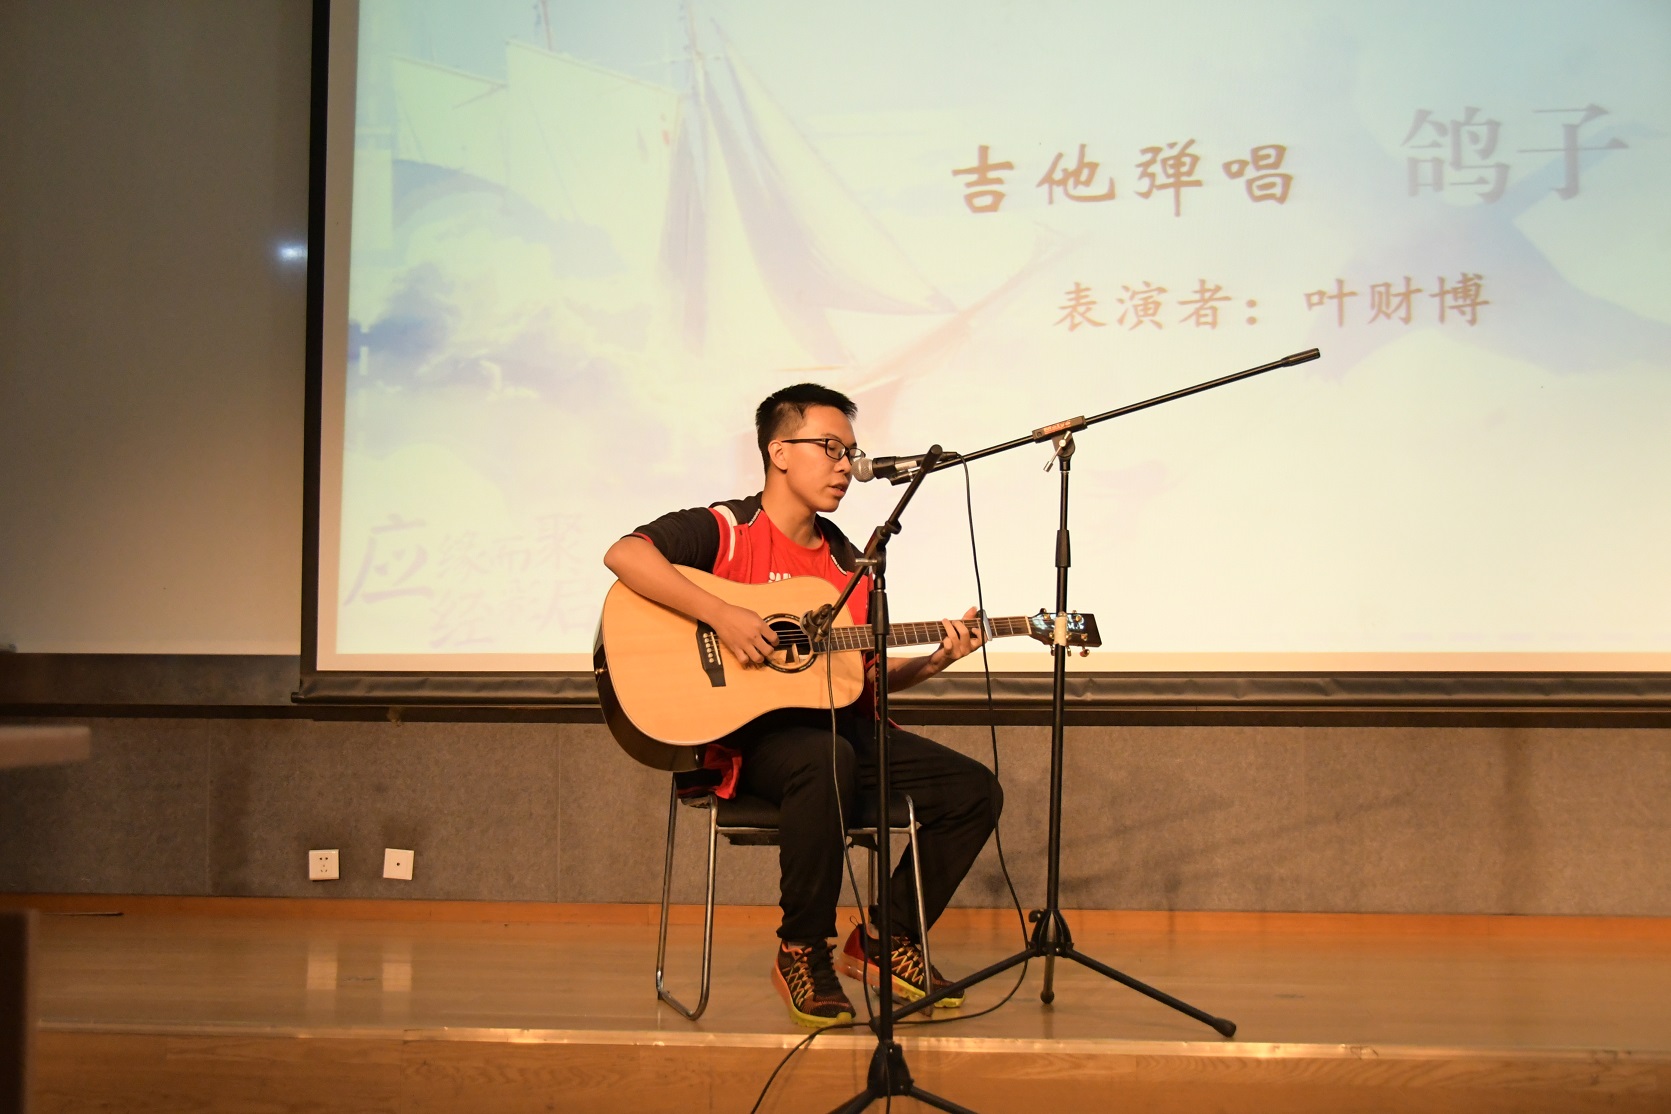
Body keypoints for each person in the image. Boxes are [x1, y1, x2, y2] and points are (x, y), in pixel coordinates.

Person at [604, 383, 1004, 1028]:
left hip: (837, 729)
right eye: (831, 448)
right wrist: (723, 615)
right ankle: (802, 948)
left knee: (972, 789)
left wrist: (933, 662)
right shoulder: (726, 529)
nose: (846, 466)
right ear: (780, 451)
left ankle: (884, 938)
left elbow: (859, 678)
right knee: (826, 759)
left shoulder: (849, 563)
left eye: (851, 451)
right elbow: (624, 554)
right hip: (751, 741)